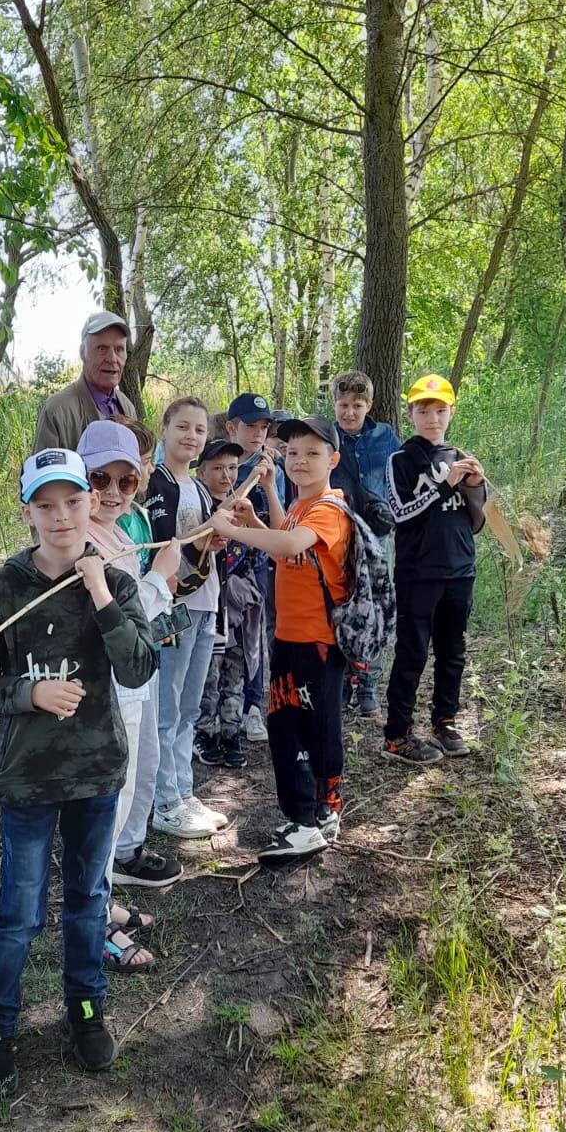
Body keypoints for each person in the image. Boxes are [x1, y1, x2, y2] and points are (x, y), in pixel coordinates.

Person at [0, 448, 156, 1093]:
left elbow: (136, 668)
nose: (61, 516)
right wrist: (30, 694)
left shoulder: (118, 583)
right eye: (45, 505)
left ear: (90, 503)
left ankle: (85, 1010)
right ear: (28, 512)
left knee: (87, 900)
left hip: (96, 774)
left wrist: (100, 590)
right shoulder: (6, 588)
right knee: (18, 910)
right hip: (28, 780)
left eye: (73, 501)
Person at [211, 416, 351, 863]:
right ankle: (322, 811)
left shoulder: (329, 509)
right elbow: (283, 538)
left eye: (312, 453)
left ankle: (305, 821)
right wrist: (262, 504)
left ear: (333, 459)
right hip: (290, 638)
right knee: (304, 726)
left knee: (298, 731)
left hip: (316, 643)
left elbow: (291, 546)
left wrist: (232, 530)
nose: (300, 461)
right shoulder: (300, 507)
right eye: (292, 453)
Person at [77, 419, 181, 969]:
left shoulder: (117, 533)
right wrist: (162, 576)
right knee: (105, 807)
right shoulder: (80, 541)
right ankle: (92, 927)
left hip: (131, 687)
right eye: (99, 479)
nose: (113, 493)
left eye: (127, 481)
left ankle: (103, 901)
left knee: (117, 804)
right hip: (108, 691)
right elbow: (121, 616)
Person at [382, 374, 486, 765]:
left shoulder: (460, 456)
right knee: (411, 653)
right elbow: (401, 514)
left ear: (451, 413)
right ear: (410, 414)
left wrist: (474, 485)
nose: (433, 418)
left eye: (440, 410)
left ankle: (445, 721)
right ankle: (397, 734)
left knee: (452, 651)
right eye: (424, 411)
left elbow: (475, 522)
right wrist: (445, 485)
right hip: (418, 572)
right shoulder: (400, 460)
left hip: (460, 569)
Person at [145, 398, 230, 841]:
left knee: (190, 704)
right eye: (182, 427)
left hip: (205, 602)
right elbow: (164, 548)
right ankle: (164, 801)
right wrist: (201, 537)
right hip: (173, 609)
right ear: (164, 429)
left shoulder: (198, 486)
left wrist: (210, 540)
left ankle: (183, 788)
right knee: (168, 703)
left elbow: (197, 545)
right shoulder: (157, 485)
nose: (191, 437)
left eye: (199, 430)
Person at [112, 420, 185, 892]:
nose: (125, 481)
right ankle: (111, 857)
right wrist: (160, 576)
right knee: (125, 760)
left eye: (137, 464)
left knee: (148, 755)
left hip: (149, 648)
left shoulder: (137, 517)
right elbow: (124, 605)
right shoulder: (100, 530)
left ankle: (128, 847)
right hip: (120, 668)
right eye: (105, 475)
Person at [330, 370, 402, 718]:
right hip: (339, 536)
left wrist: (389, 508)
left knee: (377, 608)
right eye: (343, 405)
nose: (350, 412)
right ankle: (343, 681)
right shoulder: (327, 437)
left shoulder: (385, 436)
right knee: (342, 606)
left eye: (357, 405)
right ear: (334, 404)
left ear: (369, 405)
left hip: (378, 537)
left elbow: (400, 477)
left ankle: (369, 684)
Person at [224, 392, 284, 744]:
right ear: (232, 427)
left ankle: (254, 706)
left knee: (255, 638)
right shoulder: (220, 463)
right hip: (225, 567)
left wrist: (268, 481)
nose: (258, 433)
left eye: (264, 426)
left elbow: (281, 516)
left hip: (258, 564)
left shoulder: (272, 466)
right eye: (251, 426)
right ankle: (221, 709)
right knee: (225, 641)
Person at [193, 438, 251, 771]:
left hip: (239, 605)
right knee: (208, 673)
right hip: (210, 606)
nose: (225, 475)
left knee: (236, 667)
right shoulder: (201, 511)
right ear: (201, 472)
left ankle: (231, 731)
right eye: (217, 468)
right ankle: (205, 731)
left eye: (232, 468)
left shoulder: (244, 508)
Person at [32, 310, 138, 450]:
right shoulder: (57, 410)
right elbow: (44, 471)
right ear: (83, 353)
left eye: (119, 349)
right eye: (102, 348)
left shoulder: (127, 406)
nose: (112, 359)